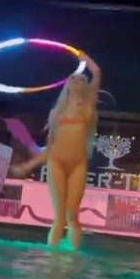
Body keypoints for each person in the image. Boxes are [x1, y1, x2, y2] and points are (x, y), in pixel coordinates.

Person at [11, 54, 101, 250]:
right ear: (66, 85)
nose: (77, 80)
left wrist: (83, 57)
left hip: (78, 164)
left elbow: (96, 72)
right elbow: (50, 148)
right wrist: (28, 165)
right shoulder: (56, 114)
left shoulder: (87, 108)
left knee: (72, 214)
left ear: (86, 86)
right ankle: (52, 256)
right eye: (73, 78)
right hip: (56, 162)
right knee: (59, 217)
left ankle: (73, 256)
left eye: (82, 79)